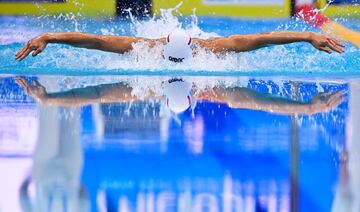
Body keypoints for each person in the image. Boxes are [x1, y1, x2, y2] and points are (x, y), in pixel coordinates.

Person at [15, 77, 344, 115]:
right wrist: (305, 107)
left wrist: (51, 100)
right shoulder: (215, 88)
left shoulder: (142, 87)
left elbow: (96, 94)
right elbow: (263, 102)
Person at [15, 28, 345, 63]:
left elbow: (264, 38)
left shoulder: (213, 48)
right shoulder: (144, 47)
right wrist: (49, 36)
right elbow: (98, 41)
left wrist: (307, 35)